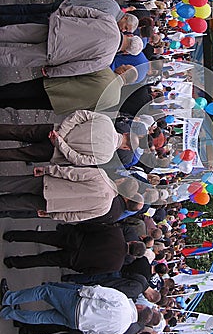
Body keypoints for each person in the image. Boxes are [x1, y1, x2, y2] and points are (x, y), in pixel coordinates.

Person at [0, 4, 143, 77]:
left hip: (57, 28)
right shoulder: (106, 60)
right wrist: (53, 72)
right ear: (126, 53)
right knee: (14, 57)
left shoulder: (110, 20)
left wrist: (60, 13)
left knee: (15, 32)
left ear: (130, 35)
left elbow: (84, 11)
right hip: (56, 52)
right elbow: (77, 68)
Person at [0, 279, 139, 334]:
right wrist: (84, 328)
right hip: (77, 323)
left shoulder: (122, 301)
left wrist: (82, 291)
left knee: (44, 291)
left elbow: (98, 292)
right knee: (42, 317)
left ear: (139, 307)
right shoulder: (121, 329)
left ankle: (9, 298)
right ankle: (8, 313)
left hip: (78, 305)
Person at [0, 109, 140, 165]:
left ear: (126, 133)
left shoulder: (105, 121)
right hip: (55, 150)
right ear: (126, 148)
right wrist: (60, 142)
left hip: (53, 130)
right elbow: (78, 159)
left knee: (17, 131)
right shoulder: (106, 157)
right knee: (16, 154)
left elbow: (78, 115)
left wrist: (61, 132)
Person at [0, 165, 133, 222]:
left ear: (121, 180)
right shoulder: (104, 208)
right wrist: (53, 215)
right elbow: (74, 217)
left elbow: (71, 173)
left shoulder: (101, 176)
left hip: (50, 183)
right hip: (52, 205)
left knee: (11, 184)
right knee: (10, 204)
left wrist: (47, 170)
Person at [3, 223, 146, 273]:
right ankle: (13, 262)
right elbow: (91, 272)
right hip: (75, 259)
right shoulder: (116, 265)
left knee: (42, 236)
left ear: (133, 242)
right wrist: (77, 267)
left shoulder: (116, 233)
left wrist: (76, 230)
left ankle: (12, 235)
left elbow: (91, 227)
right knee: (43, 260)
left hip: (75, 240)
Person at [0, 64, 138, 114]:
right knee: (23, 105)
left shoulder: (105, 70)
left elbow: (76, 70)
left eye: (125, 65)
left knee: (18, 89)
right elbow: (89, 109)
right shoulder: (114, 100)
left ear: (123, 71)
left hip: (55, 86)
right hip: (62, 105)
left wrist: (54, 71)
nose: (122, 64)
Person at [0, 0, 139, 29]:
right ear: (126, 18)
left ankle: (3, 10)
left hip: (66, 3)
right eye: (126, 27)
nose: (123, 29)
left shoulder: (113, 3)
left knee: (28, 9)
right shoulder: (110, 18)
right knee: (26, 20)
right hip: (63, 13)